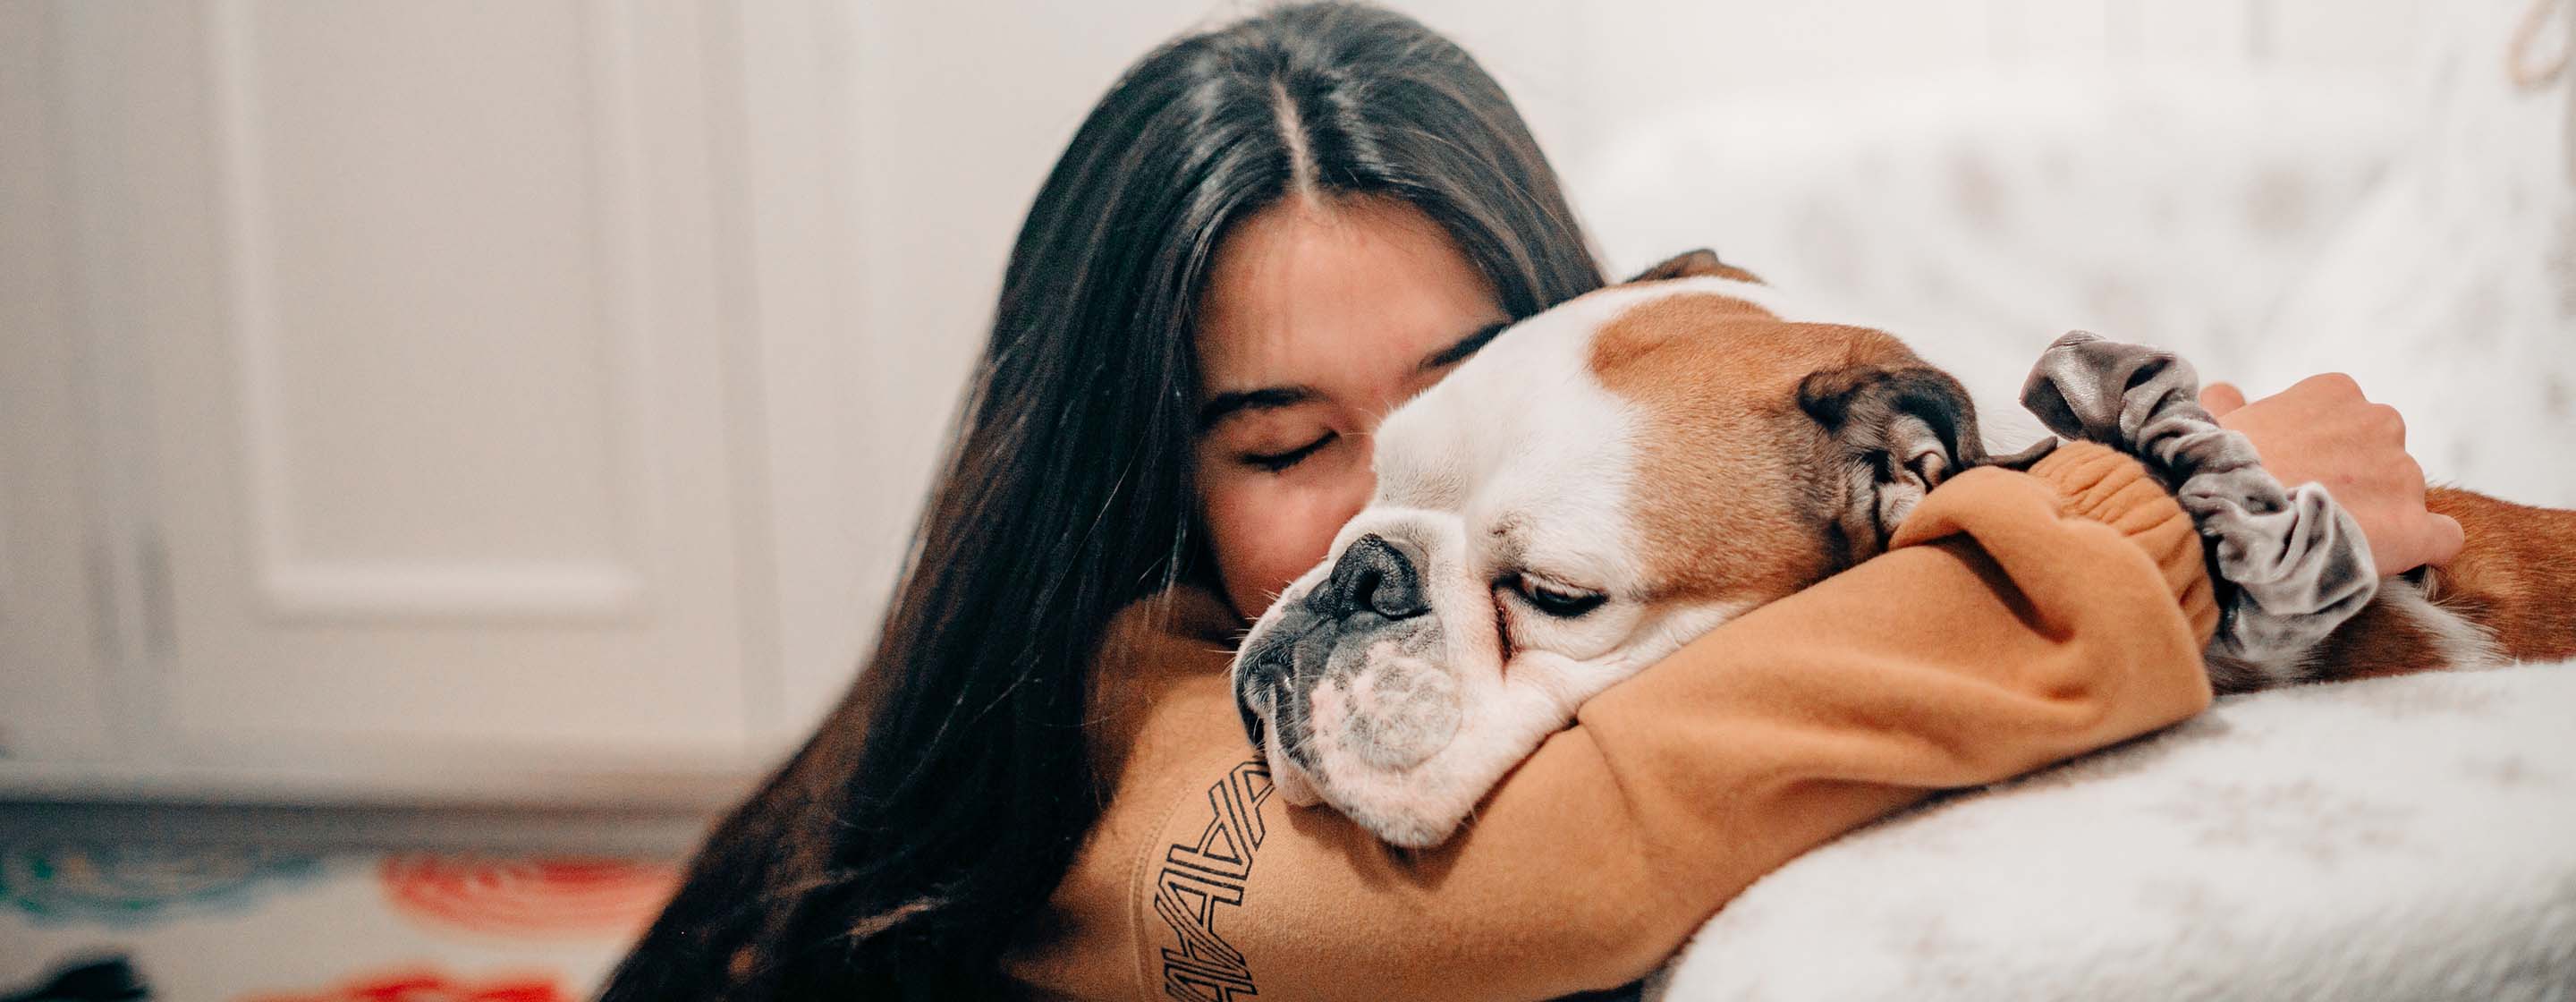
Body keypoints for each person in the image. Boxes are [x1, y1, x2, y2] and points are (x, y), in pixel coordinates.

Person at [599, 4, 2462, 999]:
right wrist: (2168, 522)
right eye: (1280, 445)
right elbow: (1543, 876)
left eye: (1470, 396)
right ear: (1137, 467)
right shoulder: (1082, 731)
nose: (1376, 524)